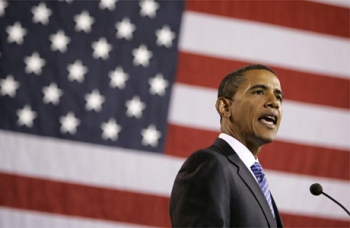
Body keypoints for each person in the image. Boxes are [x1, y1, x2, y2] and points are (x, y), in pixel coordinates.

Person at [169, 64, 284, 227]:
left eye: (279, 97)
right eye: (259, 92)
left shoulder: (254, 178)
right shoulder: (210, 164)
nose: (274, 103)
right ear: (225, 107)